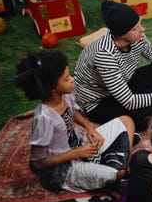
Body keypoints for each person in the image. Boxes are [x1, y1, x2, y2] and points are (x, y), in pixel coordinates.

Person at [15, 49, 136, 193]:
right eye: (66, 79)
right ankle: (116, 168)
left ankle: (114, 164)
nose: (72, 79)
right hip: (65, 169)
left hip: (81, 145)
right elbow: (37, 163)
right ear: (52, 89)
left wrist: (89, 127)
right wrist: (77, 153)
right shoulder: (43, 119)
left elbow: (73, 112)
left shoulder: (66, 95)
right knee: (118, 174)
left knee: (127, 121)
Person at [74, 0, 152, 132]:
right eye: (134, 28)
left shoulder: (137, 36)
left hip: (123, 82)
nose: (142, 29)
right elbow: (128, 101)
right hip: (99, 101)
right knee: (138, 118)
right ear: (121, 34)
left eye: (139, 24)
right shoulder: (104, 54)